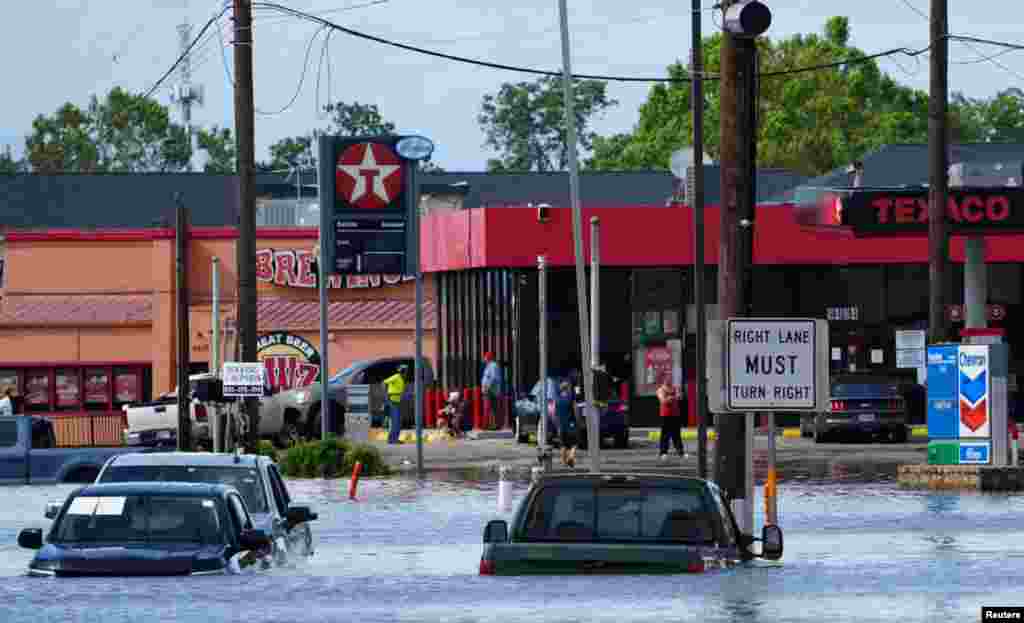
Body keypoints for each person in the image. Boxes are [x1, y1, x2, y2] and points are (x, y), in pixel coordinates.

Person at [657, 379, 686, 460]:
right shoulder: (661, 390)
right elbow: (663, 400)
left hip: (675, 415)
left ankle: (681, 452)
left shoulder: (675, 388)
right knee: (665, 434)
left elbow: (680, 396)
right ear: (663, 381)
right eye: (666, 379)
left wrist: (671, 397)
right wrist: (673, 397)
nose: (668, 380)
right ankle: (663, 453)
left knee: (677, 434)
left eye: (669, 379)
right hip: (665, 415)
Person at [382, 365, 407, 444]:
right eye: (405, 370)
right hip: (392, 401)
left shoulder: (401, 378)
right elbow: (384, 382)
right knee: (395, 421)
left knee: (398, 421)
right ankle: (391, 439)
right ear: (403, 371)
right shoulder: (396, 376)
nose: (406, 372)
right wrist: (386, 395)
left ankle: (395, 438)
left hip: (397, 401)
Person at [555, 381, 578, 468]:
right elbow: (576, 410)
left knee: (563, 444)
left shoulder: (557, 399)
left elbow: (555, 413)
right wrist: (578, 421)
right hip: (571, 423)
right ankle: (571, 457)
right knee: (574, 443)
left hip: (561, 425)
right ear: (568, 388)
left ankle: (564, 463)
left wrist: (557, 425)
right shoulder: (571, 397)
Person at [481, 352, 504, 429]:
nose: (484, 358)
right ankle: (496, 425)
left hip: (490, 390)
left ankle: (486, 425)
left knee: (487, 408)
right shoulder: (490, 366)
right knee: (494, 408)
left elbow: (493, 378)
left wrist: (487, 387)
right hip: (491, 390)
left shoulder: (493, 366)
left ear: (488, 358)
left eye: (485, 357)